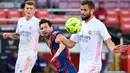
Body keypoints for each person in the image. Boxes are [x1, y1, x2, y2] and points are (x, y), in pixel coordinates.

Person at [51, 1, 128, 73]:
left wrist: (113, 48)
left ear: (91, 11)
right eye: (81, 10)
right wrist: (62, 38)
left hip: (94, 64)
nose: (82, 12)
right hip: (82, 65)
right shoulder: (79, 25)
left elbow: (109, 41)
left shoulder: (99, 25)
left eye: (85, 10)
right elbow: (71, 44)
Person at [3, 1, 40, 73]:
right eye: (27, 8)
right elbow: (18, 35)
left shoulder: (38, 22)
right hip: (20, 53)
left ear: (34, 11)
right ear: (24, 9)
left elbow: (46, 34)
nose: (29, 10)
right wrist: (9, 35)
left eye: (31, 8)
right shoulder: (20, 21)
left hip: (30, 54)